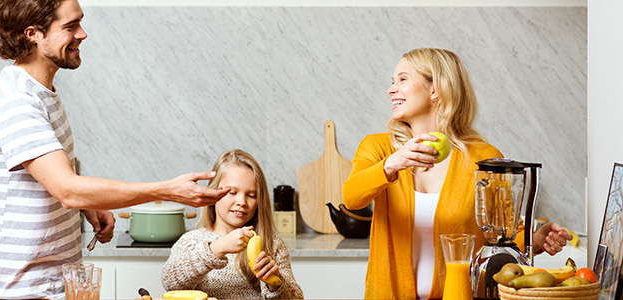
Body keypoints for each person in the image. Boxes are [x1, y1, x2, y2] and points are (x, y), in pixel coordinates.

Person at [0, 0, 228, 298]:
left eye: (79, 22)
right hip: (23, 291)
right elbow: (68, 189)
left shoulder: (40, 93)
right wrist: (166, 190)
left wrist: (87, 204)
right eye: (70, 26)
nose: (82, 34)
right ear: (33, 34)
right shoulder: (17, 101)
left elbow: (50, 178)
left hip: (52, 285)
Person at [342, 48, 574, 299]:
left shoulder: (482, 157)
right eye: (392, 81)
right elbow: (352, 198)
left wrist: (536, 239)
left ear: (435, 89)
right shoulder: (379, 148)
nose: (391, 89)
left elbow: (501, 235)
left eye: (403, 79)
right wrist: (392, 164)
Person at [161, 149, 304, 299]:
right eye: (232, 192)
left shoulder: (271, 244)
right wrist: (216, 249)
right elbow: (170, 283)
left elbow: (297, 298)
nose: (242, 202)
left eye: (251, 195)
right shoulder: (192, 241)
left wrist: (276, 286)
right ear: (214, 192)